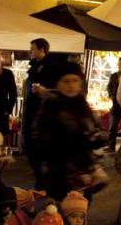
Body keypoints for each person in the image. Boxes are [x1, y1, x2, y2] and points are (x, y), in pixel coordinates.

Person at [32, 61, 108, 201]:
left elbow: (95, 130)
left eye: (75, 80)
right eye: (66, 81)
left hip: (83, 172)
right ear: (58, 84)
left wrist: (98, 137)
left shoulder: (82, 104)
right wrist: (76, 142)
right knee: (64, 209)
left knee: (81, 208)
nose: (71, 85)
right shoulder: (51, 106)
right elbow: (42, 140)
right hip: (61, 174)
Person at [24, 38, 58, 186]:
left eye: (33, 48)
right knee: (29, 145)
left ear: (42, 49)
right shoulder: (34, 66)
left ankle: (42, 180)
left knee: (37, 146)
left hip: (44, 112)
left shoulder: (52, 67)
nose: (30, 51)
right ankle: (40, 177)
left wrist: (45, 90)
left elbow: (56, 90)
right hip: (31, 110)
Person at [106, 57, 121, 152]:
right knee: (113, 126)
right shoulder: (114, 75)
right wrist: (111, 95)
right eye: (119, 64)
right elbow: (109, 87)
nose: (120, 66)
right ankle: (111, 146)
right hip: (115, 105)